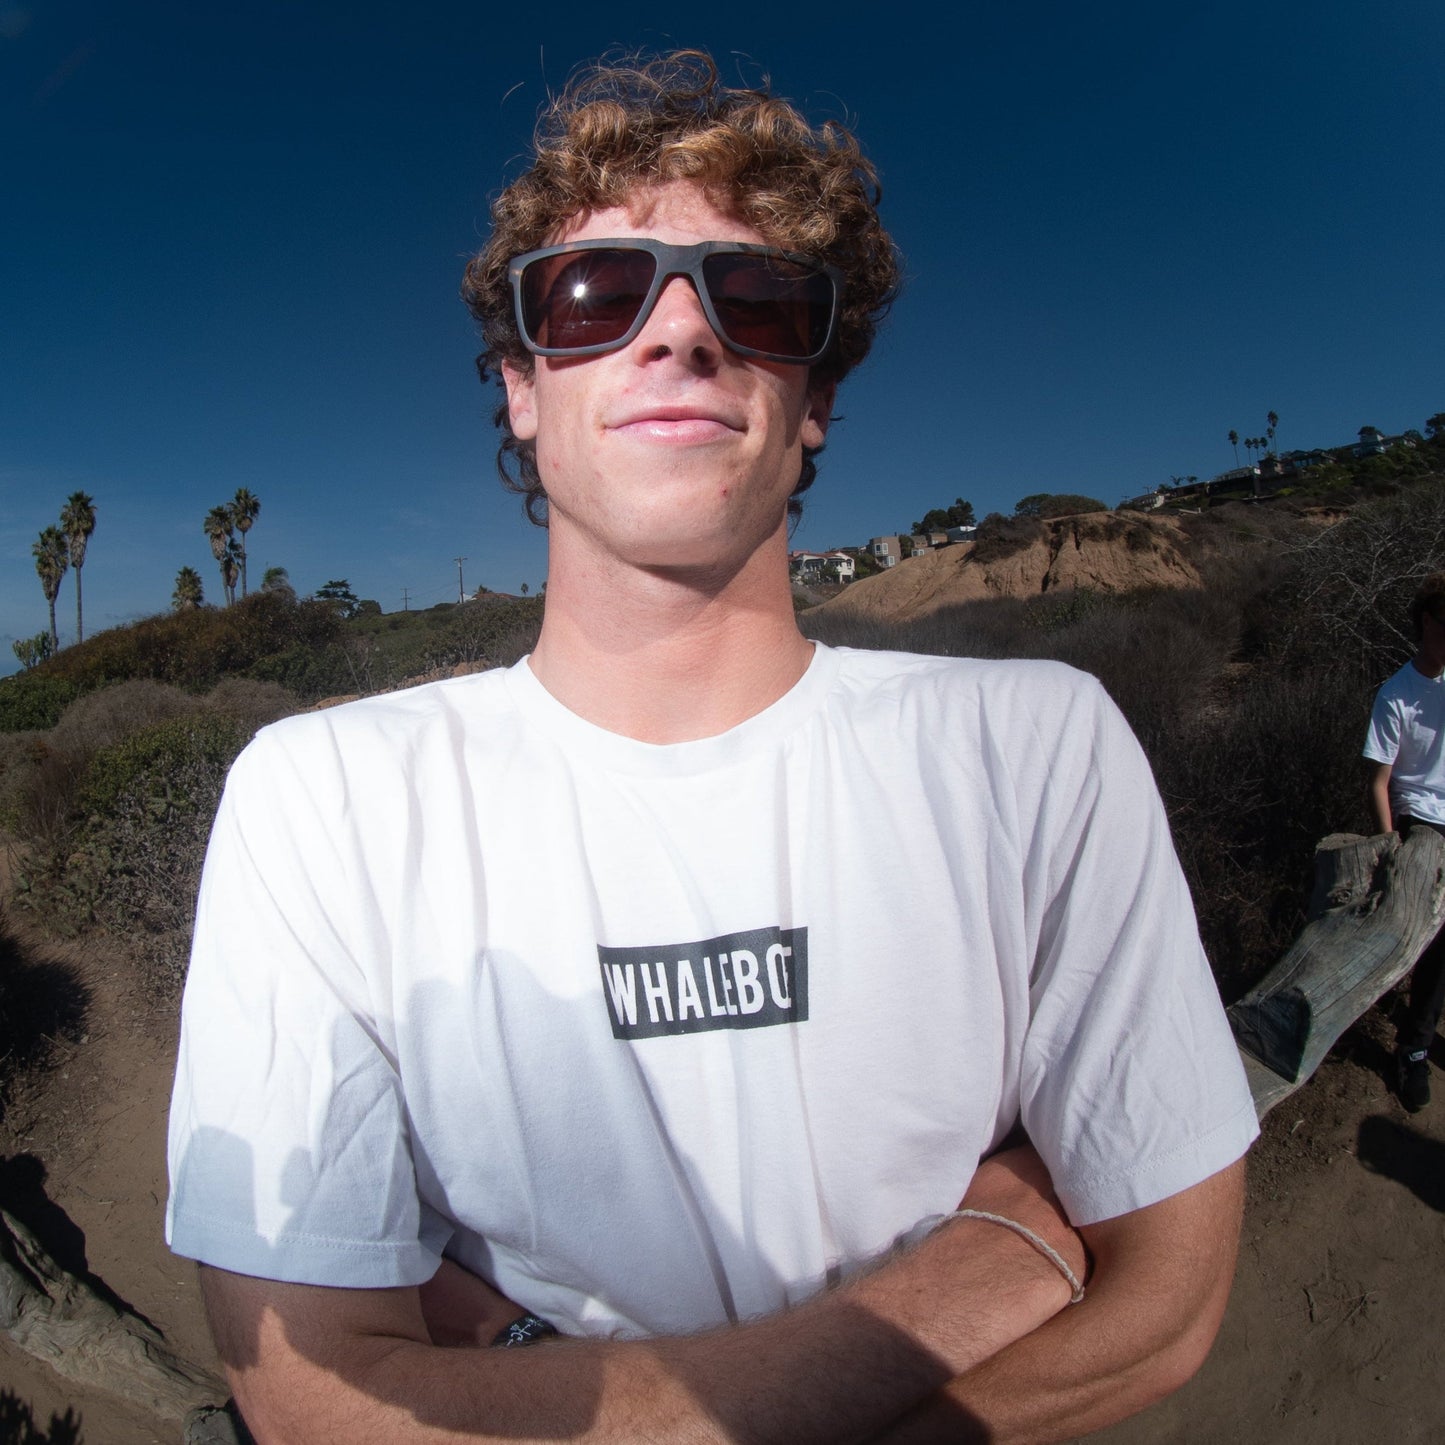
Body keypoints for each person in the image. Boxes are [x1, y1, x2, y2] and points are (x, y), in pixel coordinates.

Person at [166, 51, 1258, 1443]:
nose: (677, 334)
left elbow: (1165, 1298)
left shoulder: (1031, 746)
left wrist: (504, 1354)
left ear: (812, 405)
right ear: (520, 383)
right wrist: (984, 1265)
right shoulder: (324, 800)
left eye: (757, 301)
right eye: (595, 296)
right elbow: (313, 1396)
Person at [1364, 572, 1445, 1113]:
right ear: (1426, 623)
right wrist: (1391, 848)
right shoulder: (1397, 694)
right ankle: (1413, 1048)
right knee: (1439, 933)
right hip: (1424, 816)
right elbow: (1378, 781)